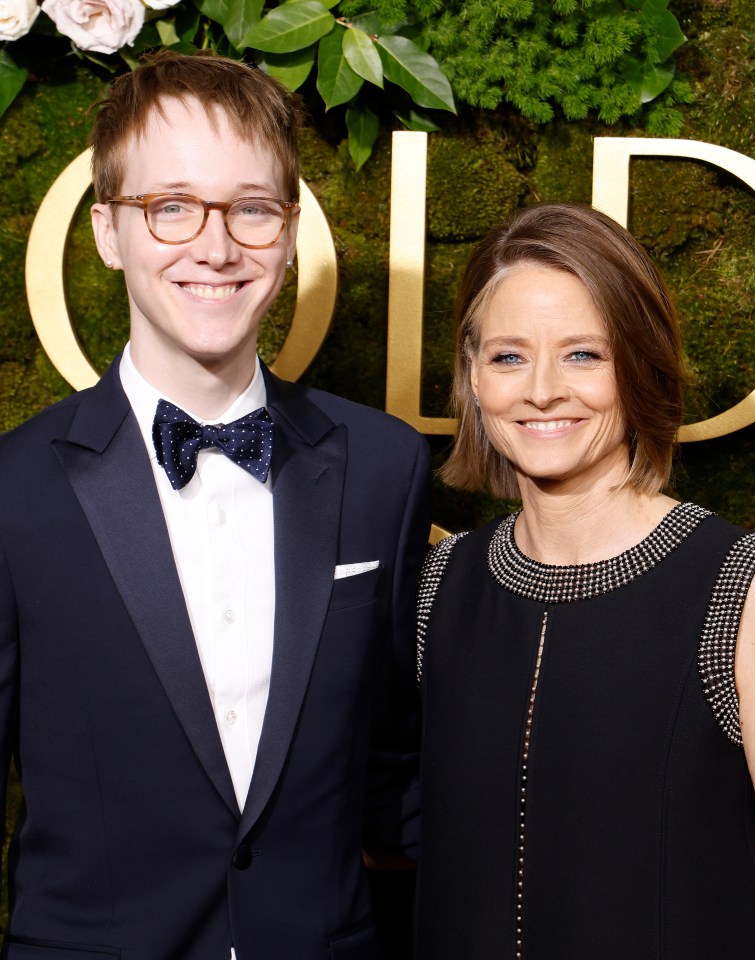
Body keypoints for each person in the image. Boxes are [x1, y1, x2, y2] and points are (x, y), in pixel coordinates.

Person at [0, 51, 431, 959]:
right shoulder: (15, 489)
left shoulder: (385, 466)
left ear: (287, 230)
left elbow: (400, 768)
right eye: (171, 207)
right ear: (109, 232)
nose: (216, 245)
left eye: (250, 207)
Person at [414, 201, 755, 960]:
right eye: (509, 357)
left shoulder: (746, 590)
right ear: (473, 377)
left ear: (638, 364)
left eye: (583, 354)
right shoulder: (441, 587)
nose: (542, 390)